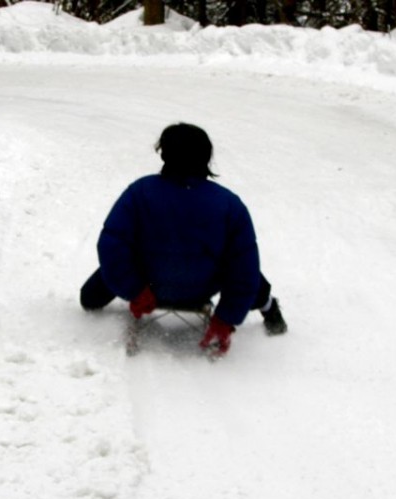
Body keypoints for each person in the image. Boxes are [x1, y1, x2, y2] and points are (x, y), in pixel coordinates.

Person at [80, 122, 287, 354]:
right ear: (207, 158)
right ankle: (269, 307)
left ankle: (96, 295)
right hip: (203, 284)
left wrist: (134, 290)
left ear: (164, 153)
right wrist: (226, 319)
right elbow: (244, 268)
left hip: (148, 282)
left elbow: (112, 246)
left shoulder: (139, 193)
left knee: (91, 296)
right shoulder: (230, 205)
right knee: (246, 270)